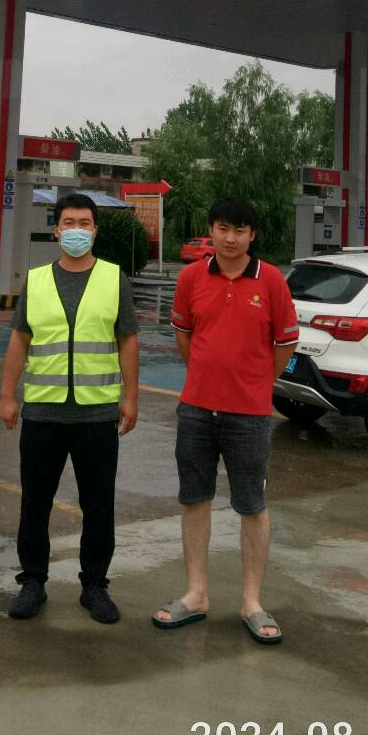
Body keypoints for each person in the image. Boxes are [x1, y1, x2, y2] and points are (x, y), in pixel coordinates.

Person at [152, 198, 297, 643]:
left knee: (252, 505)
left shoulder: (271, 281)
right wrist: (207, 375)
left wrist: (254, 382)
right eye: (222, 228)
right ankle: (196, 594)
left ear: (252, 235)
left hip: (249, 415)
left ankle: (252, 601)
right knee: (194, 499)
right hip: (196, 409)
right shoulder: (191, 278)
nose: (230, 238)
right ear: (211, 231)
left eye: (239, 230)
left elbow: (285, 345)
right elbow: (184, 335)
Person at [0, 192, 140, 623]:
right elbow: (20, 338)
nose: (77, 230)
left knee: (99, 505)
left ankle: (94, 585)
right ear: (56, 230)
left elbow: (127, 339)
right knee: (35, 503)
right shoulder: (37, 280)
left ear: (95, 230)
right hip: (43, 412)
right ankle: (33, 582)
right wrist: (7, 394)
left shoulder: (114, 279)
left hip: (97, 415)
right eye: (69, 223)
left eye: (85, 223)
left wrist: (131, 396)